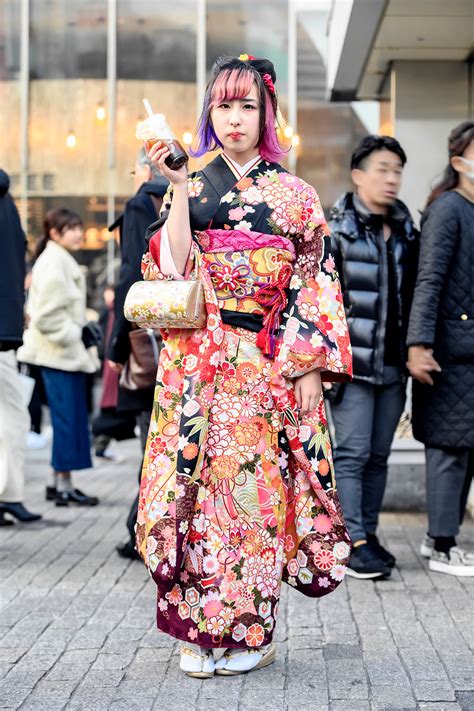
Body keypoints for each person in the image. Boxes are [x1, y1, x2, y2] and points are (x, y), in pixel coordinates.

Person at [137, 54, 352, 678]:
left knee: (254, 493)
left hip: (264, 363)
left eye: (247, 106)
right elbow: (173, 272)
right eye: (223, 106)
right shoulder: (193, 182)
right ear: (209, 113)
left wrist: (309, 364)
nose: (234, 119)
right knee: (193, 494)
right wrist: (177, 189)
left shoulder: (296, 196)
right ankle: (195, 631)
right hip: (197, 365)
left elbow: (314, 280)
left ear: (268, 114)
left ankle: (249, 631)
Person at [327, 135, 419, 580]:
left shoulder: (406, 229)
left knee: (380, 454)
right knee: (353, 452)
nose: (392, 178)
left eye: (397, 170)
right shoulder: (336, 230)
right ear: (358, 175)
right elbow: (321, 302)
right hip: (353, 366)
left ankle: (369, 534)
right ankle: (352, 541)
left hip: (392, 365)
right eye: (382, 169)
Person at [407, 121, 474, 577]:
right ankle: (442, 544)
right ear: (459, 163)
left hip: (467, 351)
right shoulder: (448, 209)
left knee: (464, 447)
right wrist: (418, 344)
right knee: (448, 449)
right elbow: (428, 280)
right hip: (448, 353)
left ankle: (445, 540)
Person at [107, 149, 168, 560]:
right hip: (186, 334)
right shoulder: (189, 195)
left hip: (149, 337)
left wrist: (115, 346)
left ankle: (143, 531)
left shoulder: (138, 203)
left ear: (146, 169)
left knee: (152, 439)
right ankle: (145, 527)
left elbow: (132, 273)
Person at [17, 208, 100, 507]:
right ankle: (63, 486)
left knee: (69, 418)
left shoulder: (57, 259)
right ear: (55, 233)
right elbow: (46, 317)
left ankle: (58, 482)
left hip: (61, 353)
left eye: (79, 227)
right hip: (59, 353)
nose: (79, 233)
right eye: (73, 228)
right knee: (68, 420)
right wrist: (75, 334)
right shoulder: (54, 262)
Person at [0, 169, 41, 526]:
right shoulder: (7, 202)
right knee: (12, 414)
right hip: (4, 331)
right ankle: (7, 493)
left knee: (12, 414)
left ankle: (8, 494)